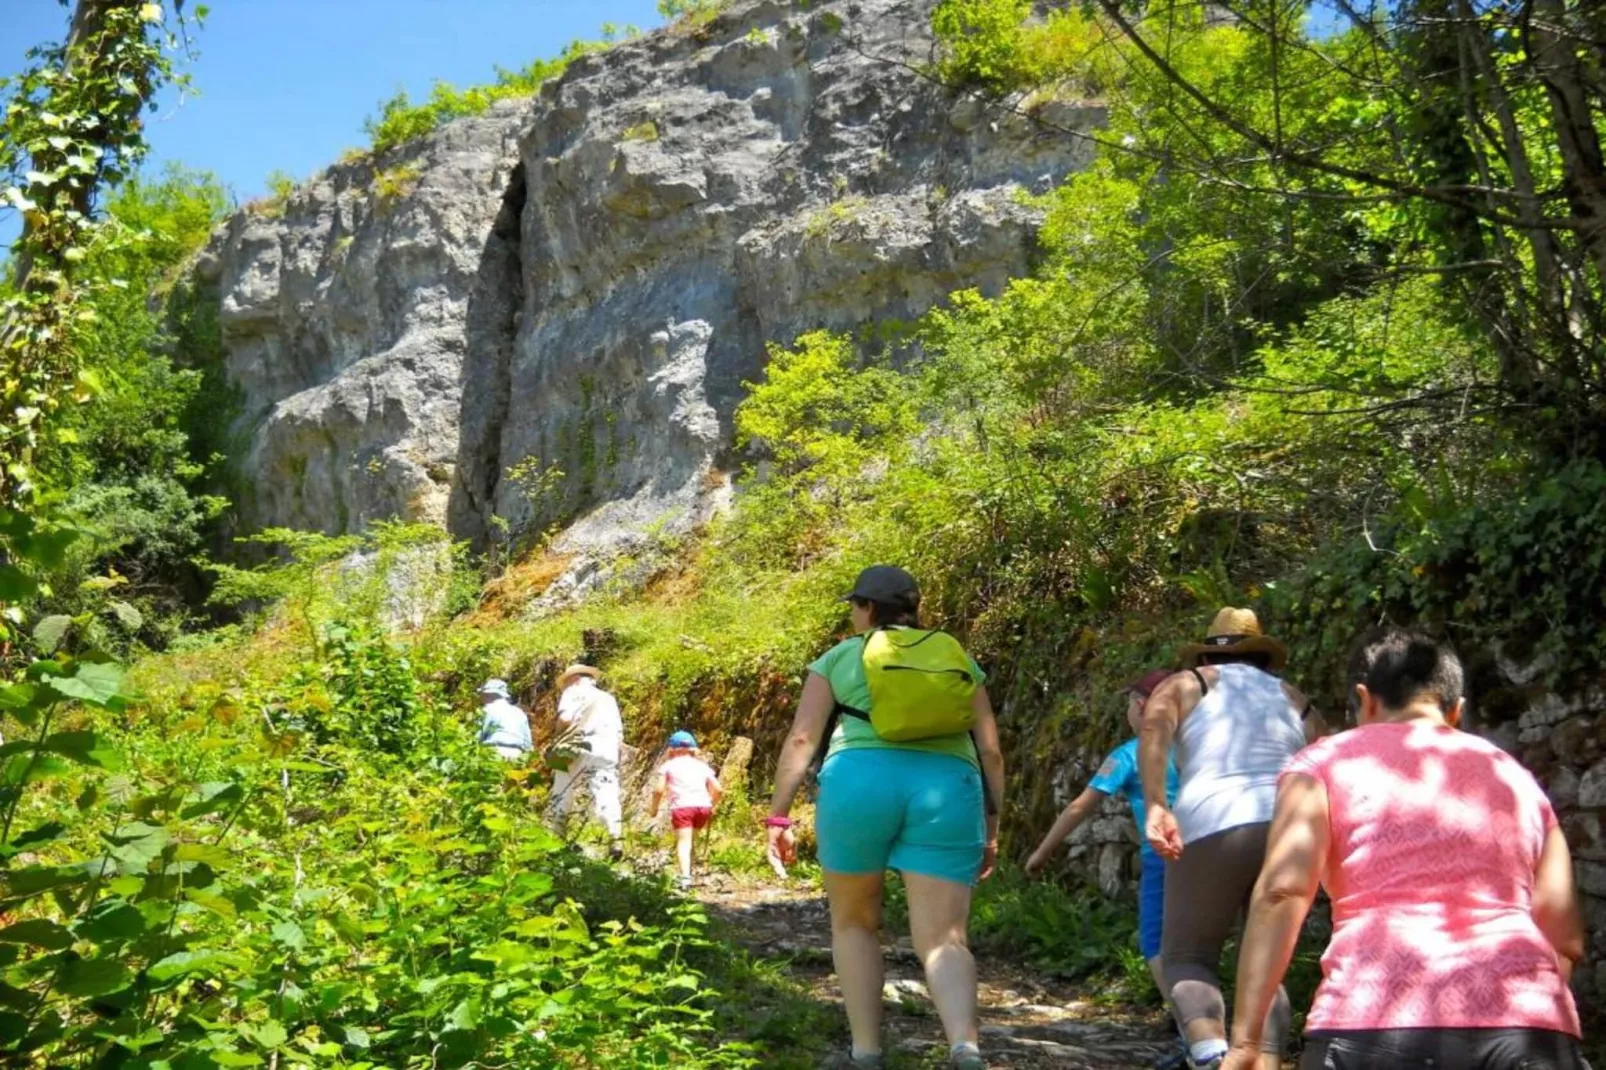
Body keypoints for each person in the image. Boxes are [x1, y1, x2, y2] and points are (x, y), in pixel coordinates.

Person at [1221, 628, 1587, 1070]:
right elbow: (1564, 938)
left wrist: (1246, 1042)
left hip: (1372, 1019)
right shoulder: (1516, 778)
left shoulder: (1322, 764)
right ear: (1456, 710)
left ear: (1365, 698)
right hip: (1530, 1027)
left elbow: (1283, 892)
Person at [764, 565, 1005, 1070]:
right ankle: (965, 1048)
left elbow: (802, 740)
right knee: (945, 938)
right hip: (948, 789)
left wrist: (778, 816)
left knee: (854, 924)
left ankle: (867, 1053)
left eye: (854, 605)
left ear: (867, 608)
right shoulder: (955, 656)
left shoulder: (838, 658)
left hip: (858, 784)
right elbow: (991, 750)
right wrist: (993, 823)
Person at [1139, 608, 1321, 1070]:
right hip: (1288, 828)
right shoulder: (1292, 696)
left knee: (1187, 955)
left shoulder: (1186, 684)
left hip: (1212, 820)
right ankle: (1269, 1060)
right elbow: (1329, 752)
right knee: (1267, 960)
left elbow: (1153, 729)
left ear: (1205, 650)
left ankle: (1209, 1053)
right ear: (1262, 654)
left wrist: (1157, 802)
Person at [1026, 668, 1188, 1070]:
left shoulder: (1131, 753)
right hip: (1216, 851)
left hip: (1165, 855)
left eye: (1128, 703)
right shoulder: (1200, 746)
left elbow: (1082, 805)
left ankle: (1195, 1037)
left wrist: (1042, 853)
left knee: (1156, 944)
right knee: (1200, 944)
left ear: (1139, 706)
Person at [549, 663, 624, 856]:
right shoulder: (608, 698)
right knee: (606, 791)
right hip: (606, 748)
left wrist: (557, 736)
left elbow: (565, 718)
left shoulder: (573, 692)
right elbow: (618, 734)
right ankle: (615, 837)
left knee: (563, 786)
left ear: (574, 679)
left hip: (577, 745)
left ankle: (558, 835)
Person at [649, 730, 723, 890]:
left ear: (671, 749)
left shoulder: (668, 765)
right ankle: (688, 872)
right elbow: (718, 789)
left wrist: (653, 809)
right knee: (691, 842)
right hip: (703, 807)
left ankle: (685, 879)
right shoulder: (702, 766)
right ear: (693, 749)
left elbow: (658, 790)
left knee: (683, 843)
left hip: (682, 807)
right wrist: (712, 805)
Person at [477, 678, 532, 760]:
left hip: (494, 752)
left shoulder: (488, 710)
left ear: (488, 694)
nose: (481, 699)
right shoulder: (519, 712)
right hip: (516, 754)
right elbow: (528, 743)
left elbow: (478, 736)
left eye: (483, 695)